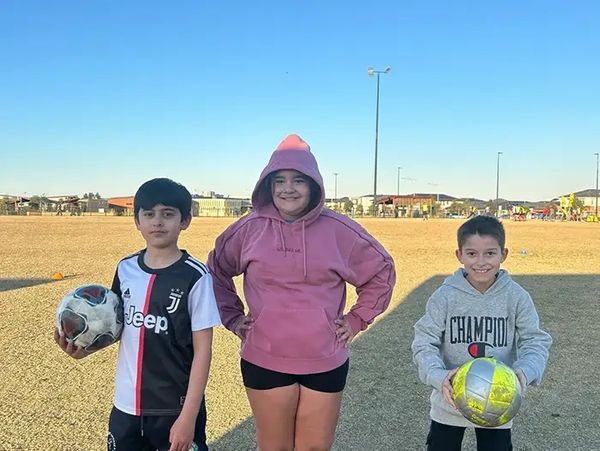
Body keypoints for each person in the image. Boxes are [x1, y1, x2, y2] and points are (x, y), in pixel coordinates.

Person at [208, 134, 396, 451]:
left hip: (325, 358)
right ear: (267, 185)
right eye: (278, 180)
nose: (288, 188)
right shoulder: (248, 229)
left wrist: (357, 319)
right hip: (265, 357)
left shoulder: (339, 230)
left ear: (314, 185)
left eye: (298, 180)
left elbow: (381, 271)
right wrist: (233, 317)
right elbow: (216, 269)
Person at [55, 178, 221, 451]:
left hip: (173, 408)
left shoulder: (196, 276)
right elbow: (113, 325)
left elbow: (204, 351)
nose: (157, 222)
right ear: (137, 221)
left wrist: (188, 417)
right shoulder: (125, 269)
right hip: (125, 405)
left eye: (168, 214)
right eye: (149, 214)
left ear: (185, 220)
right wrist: (83, 351)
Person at [411, 215, 552, 451]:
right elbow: (424, 342)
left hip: (498, 400)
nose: (481, 262)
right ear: (459, 255)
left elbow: (535, 341)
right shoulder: (445, 296)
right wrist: (439, 376)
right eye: (472, 253)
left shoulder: (516, 296)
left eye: (490, 253)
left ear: (503, 254)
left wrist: (523, 374)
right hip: (449, 402)